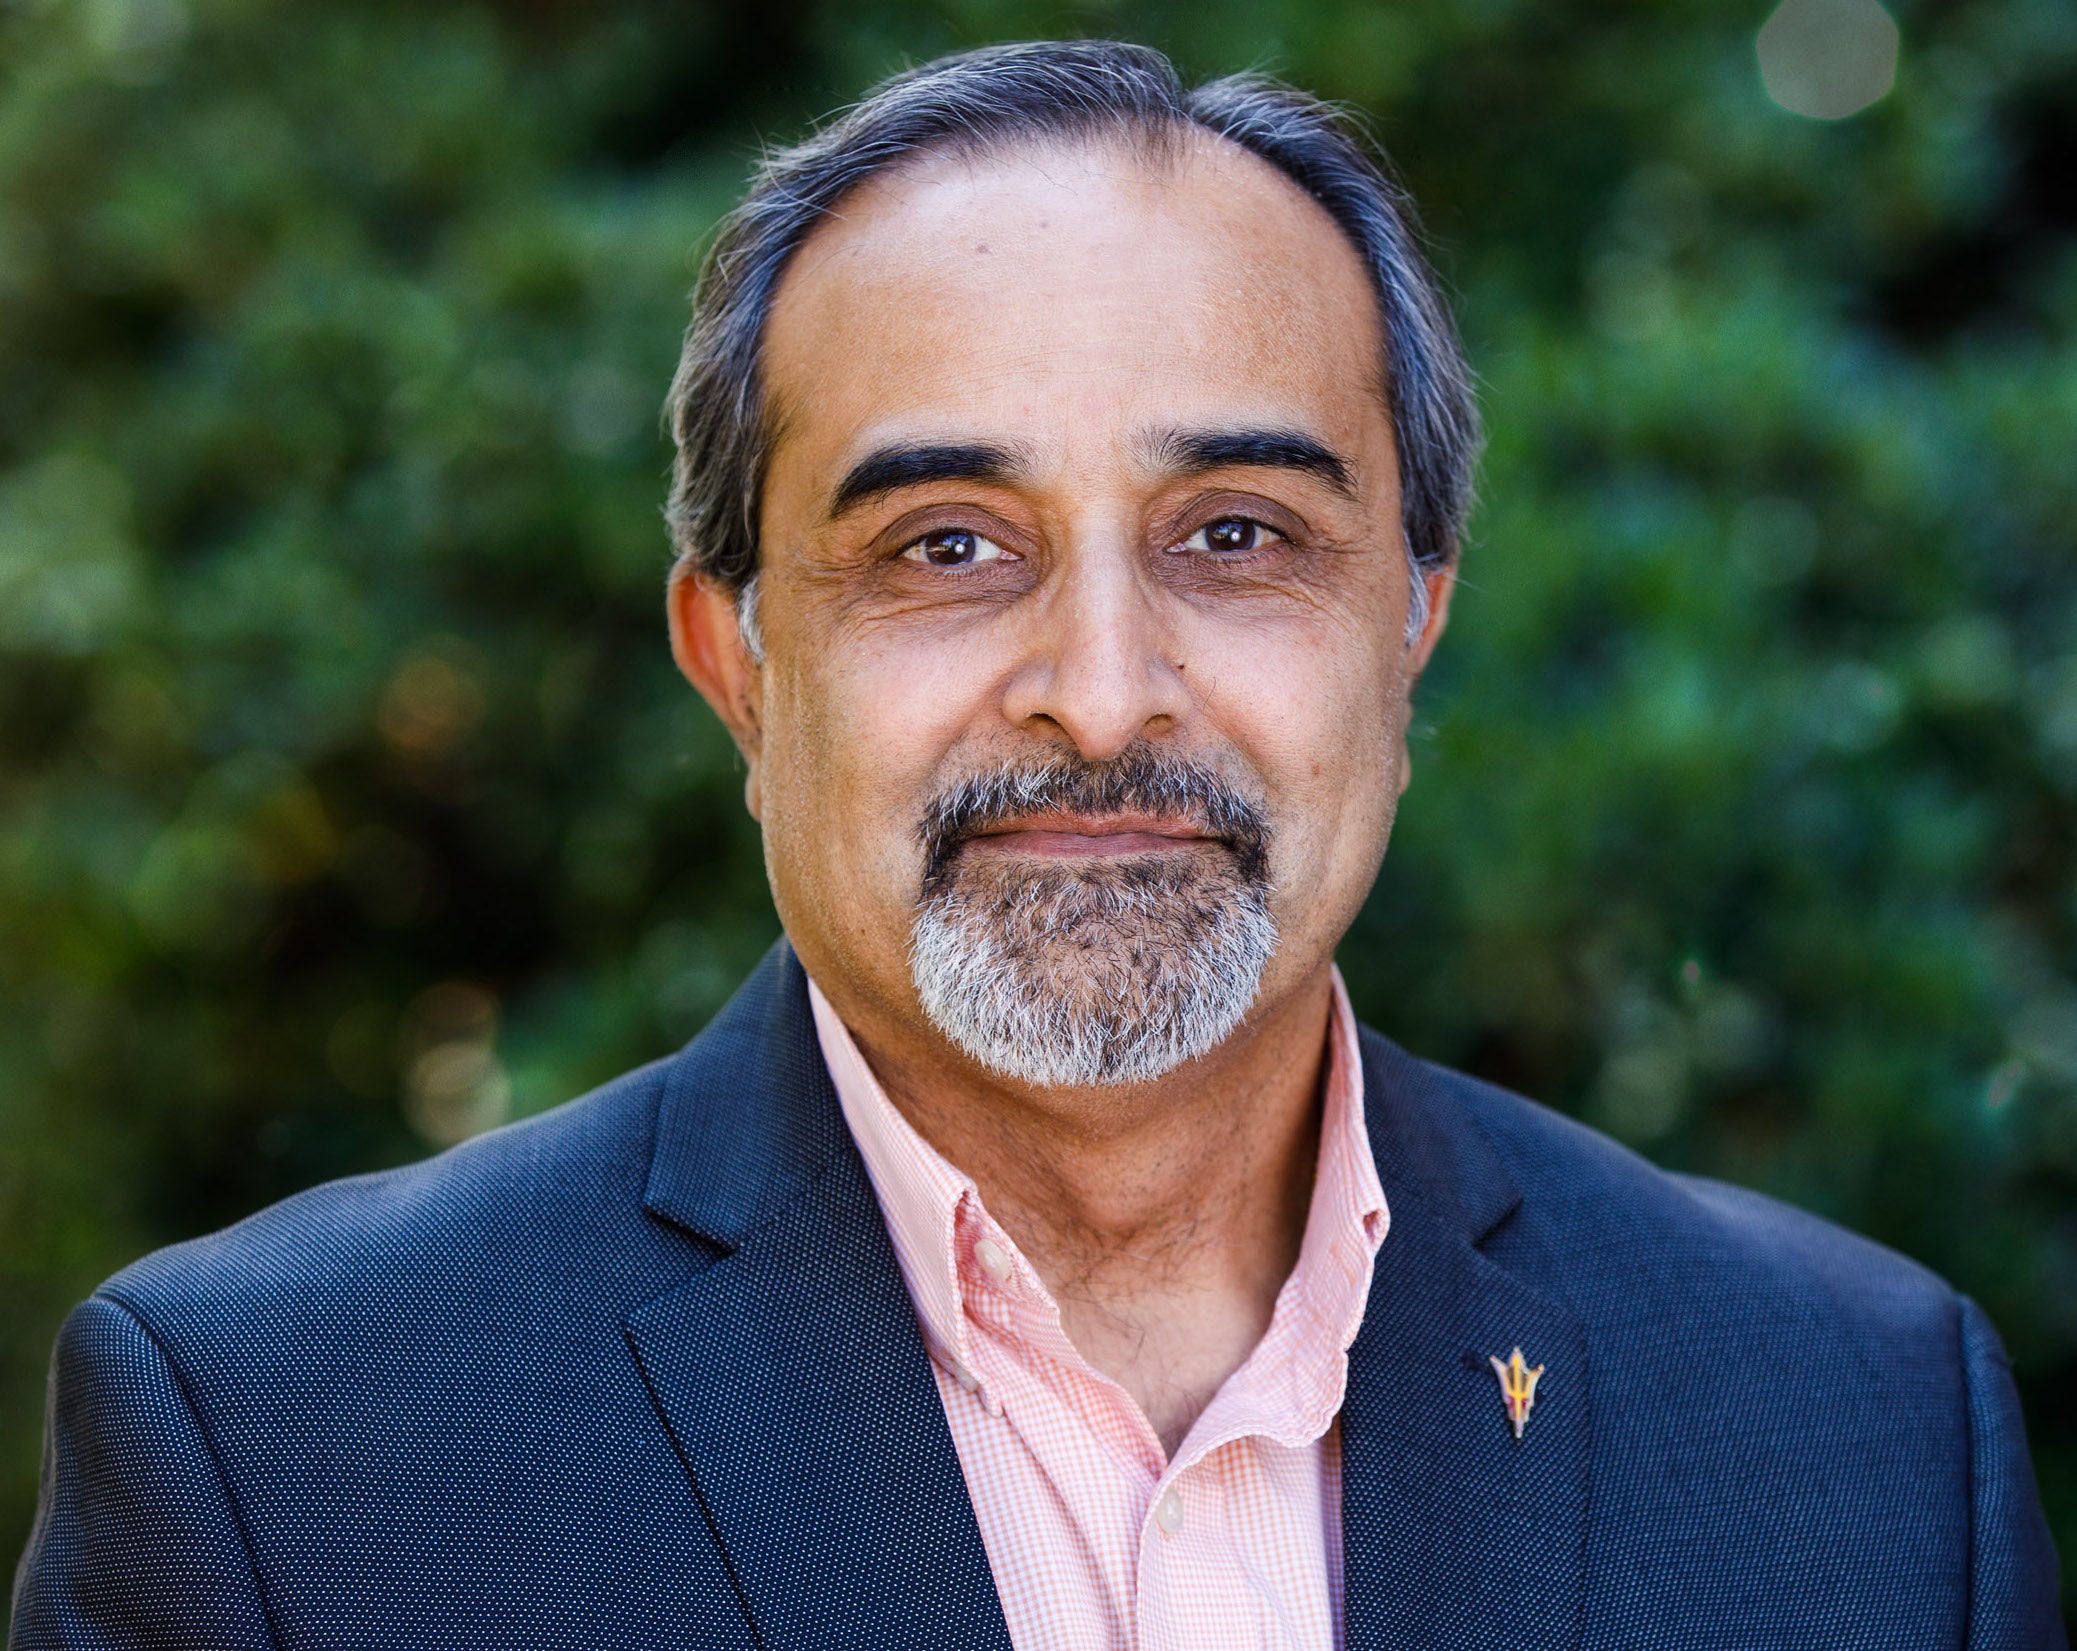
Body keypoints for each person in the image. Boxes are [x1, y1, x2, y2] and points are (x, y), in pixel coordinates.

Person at [11, 38, 2065, 1651]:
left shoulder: (1863, 1433)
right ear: (739, 666)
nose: (1100, 687)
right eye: (946, 546)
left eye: (1238, 537)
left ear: (1408, 624)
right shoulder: (283, 1457)